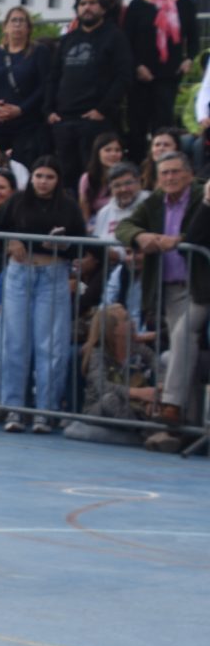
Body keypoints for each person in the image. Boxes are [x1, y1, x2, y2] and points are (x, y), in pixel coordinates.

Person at [115, 154, 210, 448]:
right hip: (168, 288)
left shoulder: (200, 193)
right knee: (185, 356)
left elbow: (200, 233)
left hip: (199, 285)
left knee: (183, 337)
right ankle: (184, 428)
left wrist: (177, 240)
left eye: (175, 172)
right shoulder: (156, 200)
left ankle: (171, 405)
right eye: (164, 173)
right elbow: (124, 226)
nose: (169, 178)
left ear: (189, 173)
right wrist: (140, 237)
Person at [0, 157, 86, 433]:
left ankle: (45, 411)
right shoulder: (17, 201)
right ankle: (13, 408)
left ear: (58, 181)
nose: (43, 182)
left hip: (53, 275)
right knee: (13, 343)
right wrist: (10, 242)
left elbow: (81, 243)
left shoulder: (68, 206)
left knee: (51, 347)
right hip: (19, 274)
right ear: (31, 177)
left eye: (49, 177)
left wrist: (61, 245)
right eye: (39, 176)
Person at [45, 0, 132, 191]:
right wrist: (49, 111)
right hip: (63, 120)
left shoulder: (115, 37)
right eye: (82, 4)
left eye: (92, 3)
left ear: (103, 8)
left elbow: (124, 77)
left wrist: (103, 109)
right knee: (66, 178)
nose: (87, 8)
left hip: (95, 120)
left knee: (91, 178)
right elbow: (53, 77)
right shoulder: (67, 40)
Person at [123, 0, 198, 161]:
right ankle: (138, 166)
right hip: (140, 74)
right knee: (137, 124)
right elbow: (127, 40)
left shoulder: (186, 4)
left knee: (163, 125)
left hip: (169, 74)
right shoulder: (137, 5)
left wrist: (189, 59)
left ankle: (162, 169)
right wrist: (136, 66)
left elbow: (193, 38)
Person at [62, 305, 157, 447]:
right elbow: (103, 387)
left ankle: (145, 432)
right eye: (126, 319)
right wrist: (139, 393)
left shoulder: (139, 349)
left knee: (160, 401)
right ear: (114, 330)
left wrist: (155, 394)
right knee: (109, 400)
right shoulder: (98, 353)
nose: (132, 322)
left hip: (134, 408)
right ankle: (146, 434)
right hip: (99, 409)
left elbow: (159, 368)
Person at [0, 6, 49, 161]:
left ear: (29, 28)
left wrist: (21, 109)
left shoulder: (39, 52)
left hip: (25, 122)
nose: (17, 25)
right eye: (13, 20)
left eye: (22, 21)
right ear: (5, 26)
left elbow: (45, 86)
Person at [77, 132, 125, 230]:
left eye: (117, 150)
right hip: (97, 225)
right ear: (98, 153)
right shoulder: (87, 178)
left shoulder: (128, 177)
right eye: (108, 150)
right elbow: (85, 211)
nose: (113, 154)